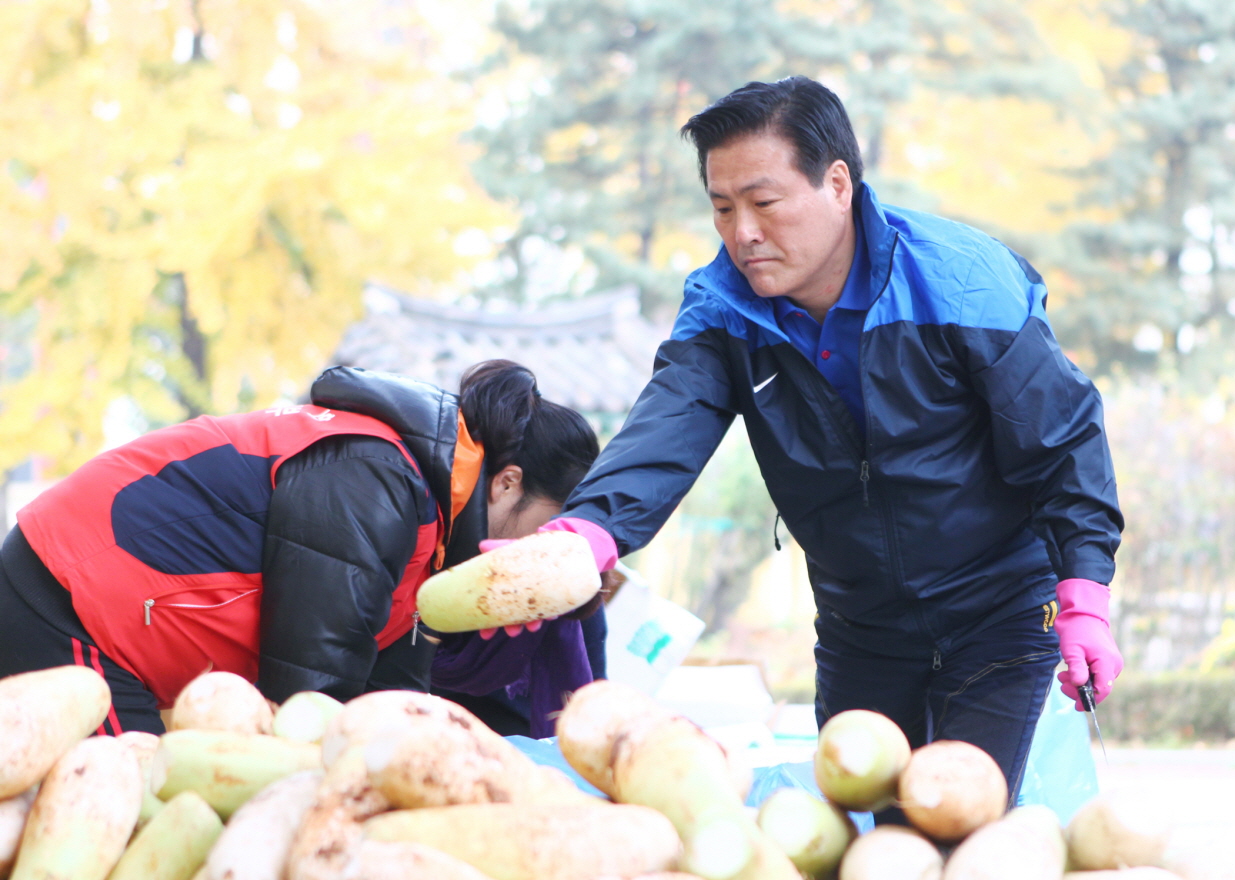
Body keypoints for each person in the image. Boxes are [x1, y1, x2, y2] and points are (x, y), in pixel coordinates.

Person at [551, 75, 1125, 807]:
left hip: (996, 613)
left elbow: (1062, 437)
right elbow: (668, 423)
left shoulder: (960, 283)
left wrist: (1082, 591)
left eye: (763, 203)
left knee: (958, 821)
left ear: (836, 183)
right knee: (871, 836)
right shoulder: (721, 307)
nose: (742, 233)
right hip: (860, 627)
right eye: (721, 208)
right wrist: (586, 533)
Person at [0, 359, 603, 735]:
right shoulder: (378, 476)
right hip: (64, 602)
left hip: (109, 624)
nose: (536, 556)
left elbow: (385, 689)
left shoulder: (432, 531)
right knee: (128, 811)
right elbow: (311, 687)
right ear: (508, 483)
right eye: (547, 530)